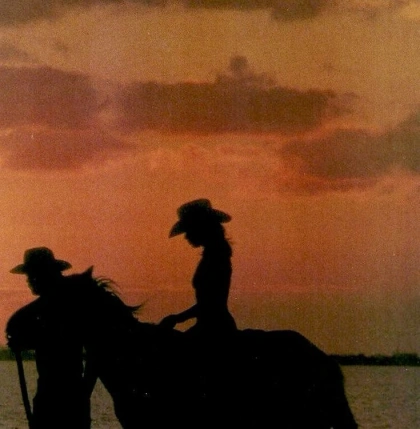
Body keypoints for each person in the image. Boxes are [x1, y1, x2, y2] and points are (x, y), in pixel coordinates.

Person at [6, 247, 95, 429]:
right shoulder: (54, 307)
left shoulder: (60, 306)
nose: (29, 281)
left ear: (43, 275)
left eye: (31, 276)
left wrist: (84, 392)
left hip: (58, 399)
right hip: (62, 398)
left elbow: (56, 340)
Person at [160, 199, 237, 339]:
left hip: (214, 330)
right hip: (213, 326)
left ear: (201, 229)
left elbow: (211, 305)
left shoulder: (215, 258)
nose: (186, 236)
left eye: (189, 230)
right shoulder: (215, 256)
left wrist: (177, 318)